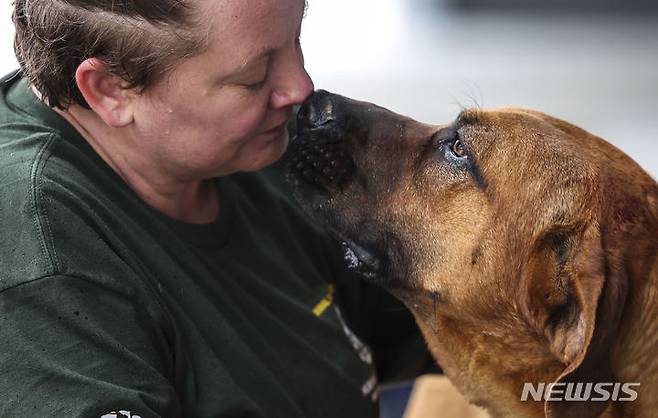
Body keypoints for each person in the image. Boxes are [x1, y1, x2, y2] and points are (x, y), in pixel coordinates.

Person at [0, 0, 432, 417]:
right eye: (253, 77)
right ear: (111, 89)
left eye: (296, 39)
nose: (301, 87)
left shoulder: (261, 145)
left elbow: (442, 320)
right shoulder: (43, 259)